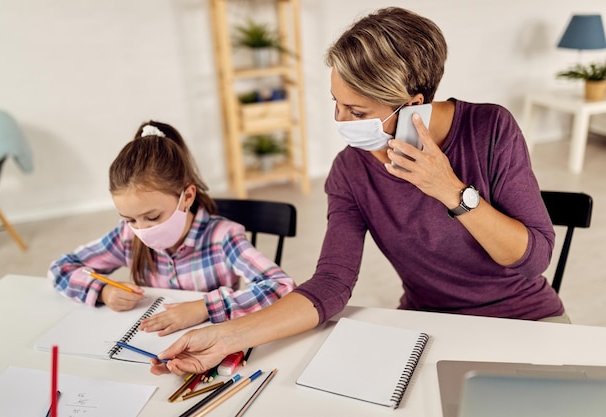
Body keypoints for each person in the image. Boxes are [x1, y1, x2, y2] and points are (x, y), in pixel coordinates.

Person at [150, 6, 566, 376]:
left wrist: (451, 191)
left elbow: (534, 261)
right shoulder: (351, 170)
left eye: (358, 111)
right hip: (427, 326)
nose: (341, 120)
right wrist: (225, 337)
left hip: (524, 320)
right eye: (337, 102)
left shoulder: (490, 129)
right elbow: (332, 282)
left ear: (413, 103)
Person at [48, 120, 295, 335]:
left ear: (187, 197)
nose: (141, 230)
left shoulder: (222, 237)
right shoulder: (126, 237)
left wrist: (203, 308)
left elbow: (280, 286)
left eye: (152, 217)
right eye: (130, 219)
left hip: (210, 344)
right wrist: (103, 292)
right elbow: (61, 268)